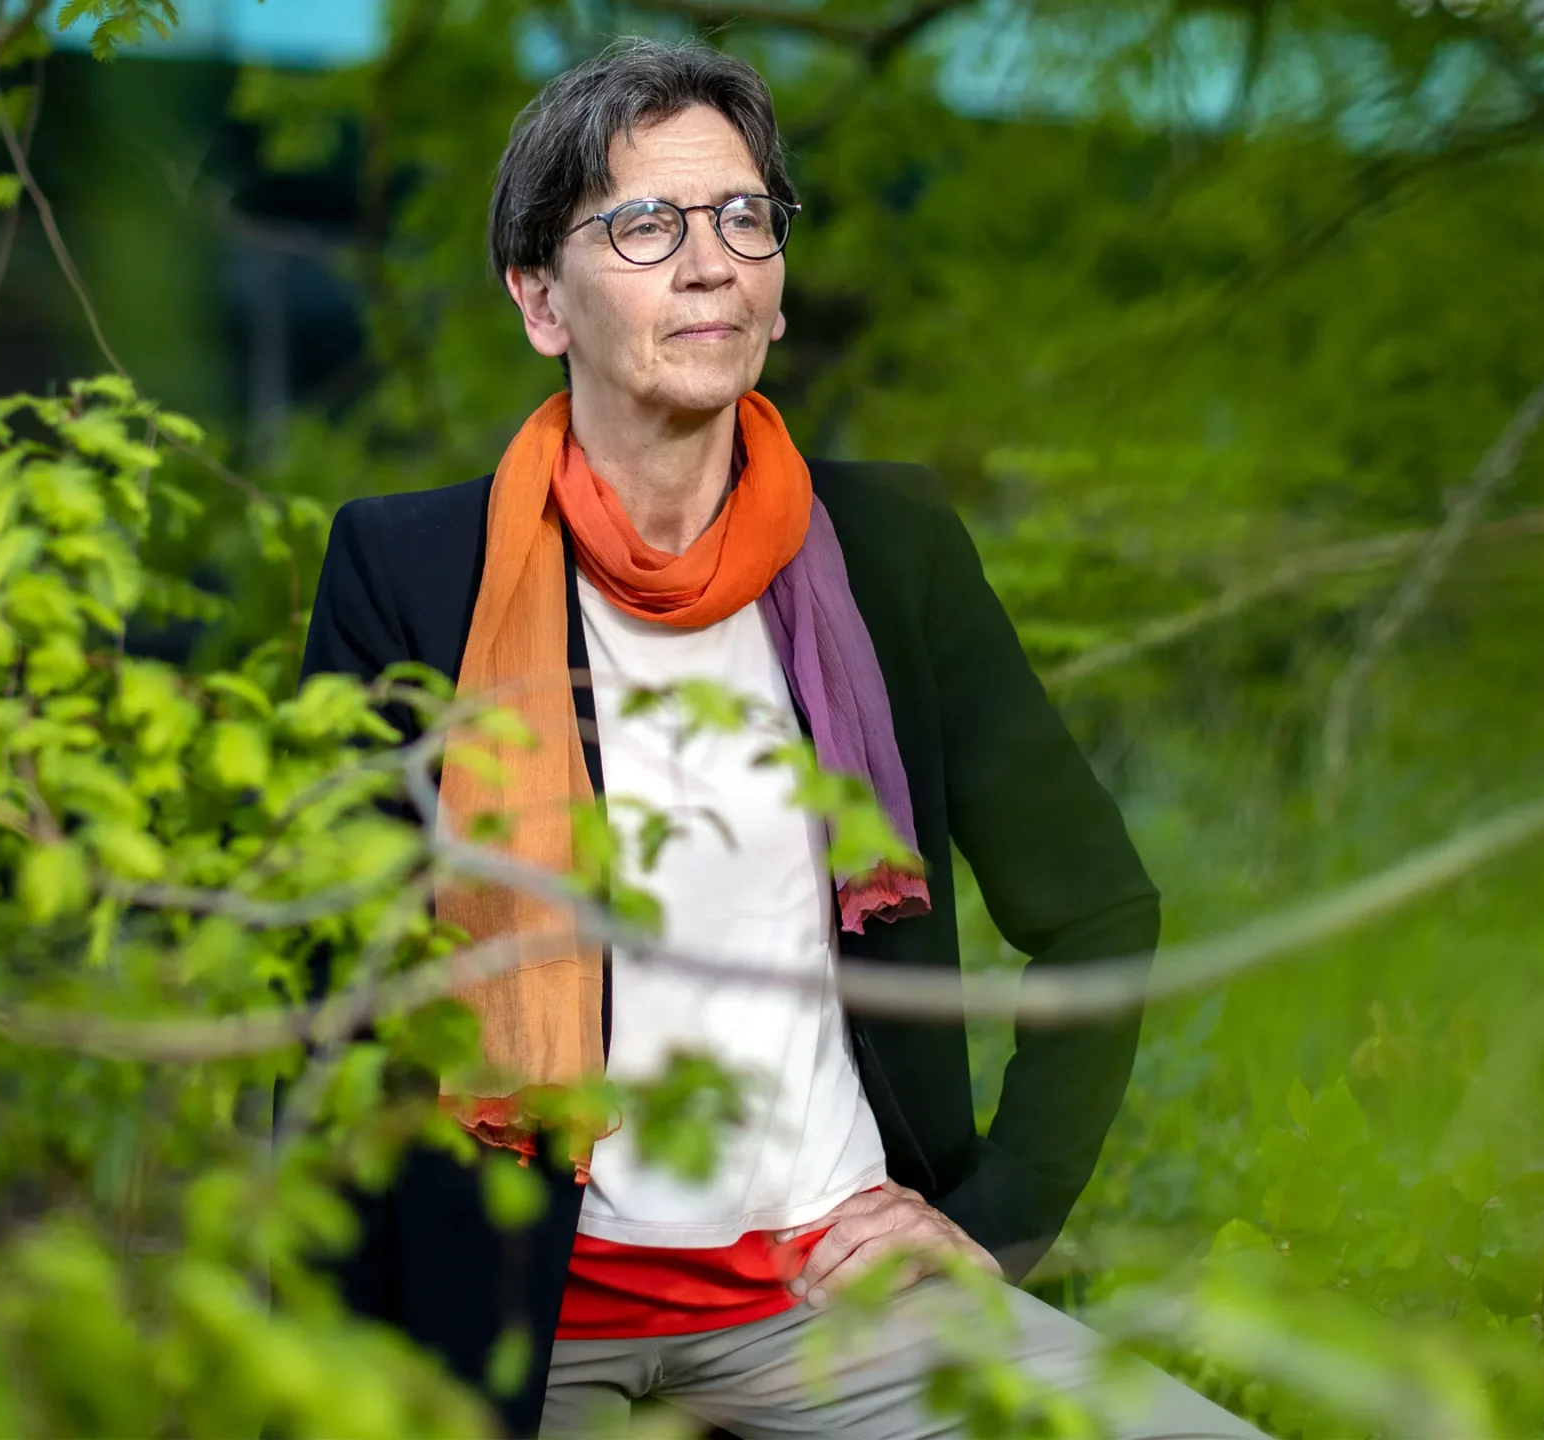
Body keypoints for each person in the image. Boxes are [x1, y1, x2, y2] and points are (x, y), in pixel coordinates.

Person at [299, 35, 1263, 1440]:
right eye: (644, 224)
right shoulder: (412, 571)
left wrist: (992, 1226)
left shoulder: (890, 552)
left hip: (832, 1297)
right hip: (518, 1310)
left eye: (745, 217)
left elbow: (1099, 908)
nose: (712, 262)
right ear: (538, 299)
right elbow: (331, 993)